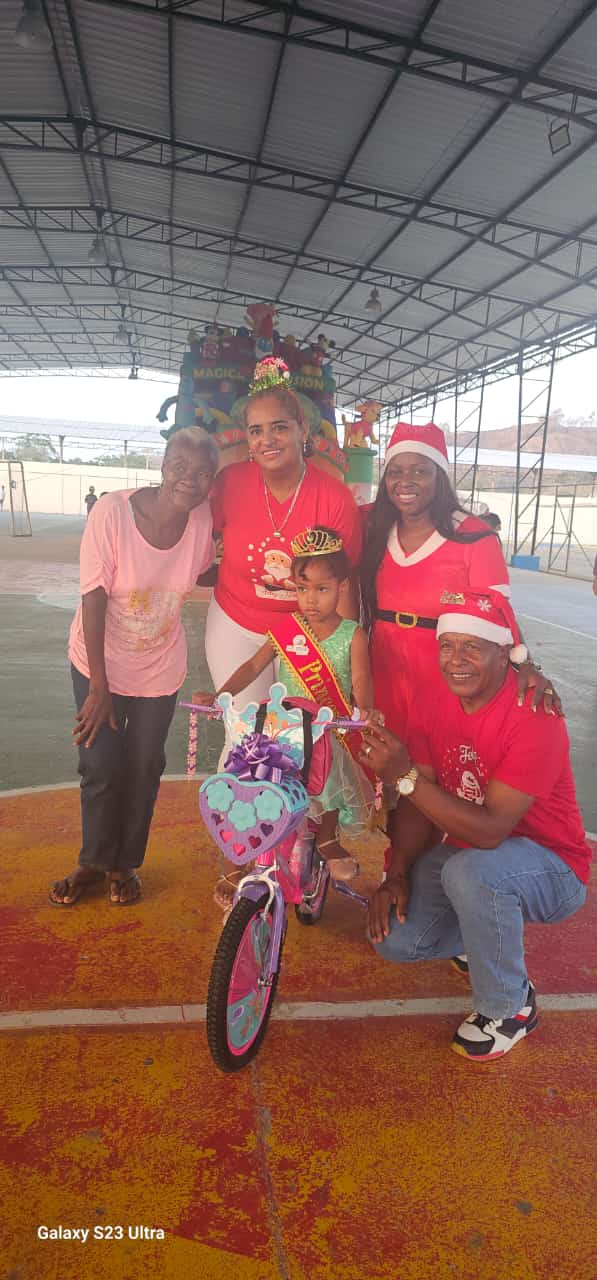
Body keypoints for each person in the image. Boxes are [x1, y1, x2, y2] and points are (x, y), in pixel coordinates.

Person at [362, 589, 590, 1062]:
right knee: (398, 939)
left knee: (474, 873)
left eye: (473, 646)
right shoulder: (433, 698)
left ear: (505, 655)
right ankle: (482, 932)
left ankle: (510, 1008)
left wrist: (402, 776)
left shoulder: (535, 715)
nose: (456, 659)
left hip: (551, 867)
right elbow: (419, 801)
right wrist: (396, 873)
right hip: (471, 854)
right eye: (447, 645)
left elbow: (490, 831)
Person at [49, 428, 218, 907]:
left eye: (203, 473)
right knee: (99, 763)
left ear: (211, 481)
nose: (190, 480)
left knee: (145, 766)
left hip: (158, 666)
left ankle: (125, 864)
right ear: (163, 466)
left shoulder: (201, 518)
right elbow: (93, 597)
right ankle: (93, 861)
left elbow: (204, 569)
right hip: (98, 661)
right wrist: (98, 687)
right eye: (180, 467)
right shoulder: (112, 513)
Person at [196, 526, 377, 900]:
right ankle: (241, 858)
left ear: (342, 587)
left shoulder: (352, 635)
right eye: (303, 588)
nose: (310, 599)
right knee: (257, 781)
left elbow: (361, 679)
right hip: (285, 729)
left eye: (322, 589)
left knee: (329, 776)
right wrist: (220, 695)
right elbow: (252, 666)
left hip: (327, 730)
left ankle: (326, 839)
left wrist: (366, 709)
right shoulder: (288, 628)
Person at [360, 422, 557, 745]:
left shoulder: (473, 534)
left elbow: (497, 610)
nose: (405, 481)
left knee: (437, 758)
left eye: (420, 471)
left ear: (439, 477)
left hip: (448, 669)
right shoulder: (374, 526)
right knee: (382, 755)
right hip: (383, 666)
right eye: (395, 472)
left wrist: (525, 663)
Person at [205, 358, 362, 717]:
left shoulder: (334, 498)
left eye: (279, 427)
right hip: (235, 624)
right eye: (256, 430)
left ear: (302, 429)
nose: (267, 440)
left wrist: (342, 657)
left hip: (307, 633)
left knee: (303, 736)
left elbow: (344, 586)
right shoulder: (229, 483)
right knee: (244, 733)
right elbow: (196, 536)